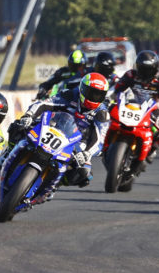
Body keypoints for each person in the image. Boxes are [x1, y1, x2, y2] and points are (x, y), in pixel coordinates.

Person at [9, 72, 110, 204]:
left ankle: (55, 184)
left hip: (77, 142)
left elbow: (101, 138)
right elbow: (44, 104)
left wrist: (87, 153)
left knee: (84, 173)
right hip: (53, 126)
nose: (94, 97)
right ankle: (8, 154)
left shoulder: (102, 113)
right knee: (17, 127)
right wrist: (28, 115)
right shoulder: (70, 94)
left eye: (98, 95)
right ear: (82, 89)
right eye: (91, 93)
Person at [111, 50, 159, 156]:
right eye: (142, 69)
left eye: (148, 70)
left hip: (154, 108)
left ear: (155, 68)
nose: (144, 73)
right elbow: (116, 91)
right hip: (130, 105)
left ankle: (152, 148)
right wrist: (110, 101)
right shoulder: (130, 74)